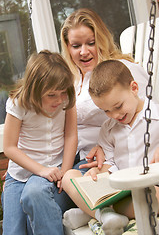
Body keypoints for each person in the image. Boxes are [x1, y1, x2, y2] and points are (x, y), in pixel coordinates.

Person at [62, 60, 159, 234]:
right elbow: (109, 164)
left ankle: (97, 213)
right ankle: (105, 214)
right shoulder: (108, 129)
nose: (115, 115)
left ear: (134, 88)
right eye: (106, 111)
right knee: (69, 177)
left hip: (149, 189)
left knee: (155, 197)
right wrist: (98, 174)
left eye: (118, 106)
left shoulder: (156, 116)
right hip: (118, 190)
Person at [60, 8, 149, 171]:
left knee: (46, 191)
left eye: (91, 43)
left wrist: (107, 149)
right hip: (63, 156)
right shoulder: (69, 79)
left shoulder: (123, 71)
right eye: (76, 45)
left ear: (101, 40)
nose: (84, 52)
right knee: (28, 187)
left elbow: (144, 118)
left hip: (96, 158)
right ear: (67, 47)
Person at [2, 50, 77, 235]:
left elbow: (70, 135)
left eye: (62, 93)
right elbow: (9, 147)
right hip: (19, 175)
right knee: (13, 231)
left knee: (34, 196)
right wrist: (41, 170)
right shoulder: (19, 103)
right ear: (35, 89)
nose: (59, 99)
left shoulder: (66, 98)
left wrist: (65, 173)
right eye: (52, 95)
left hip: (53, 170)